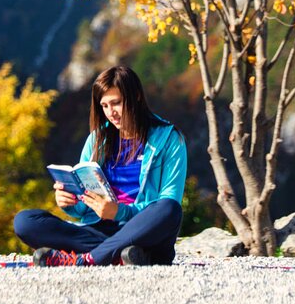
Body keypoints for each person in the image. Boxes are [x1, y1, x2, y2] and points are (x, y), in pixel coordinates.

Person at [14, 65, 187, 266]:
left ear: (137, 97)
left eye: (116, 103)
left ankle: (88, 258)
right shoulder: (97, 139)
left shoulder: (169, 139)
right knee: (25, 221)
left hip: (144, 231)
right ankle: (121, 255)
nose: (110, 113)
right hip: (98, 230)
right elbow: (83, 208)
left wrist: (119, 212)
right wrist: (69, 203)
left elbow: (169, 200)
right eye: (104, 106)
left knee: (169, 209)